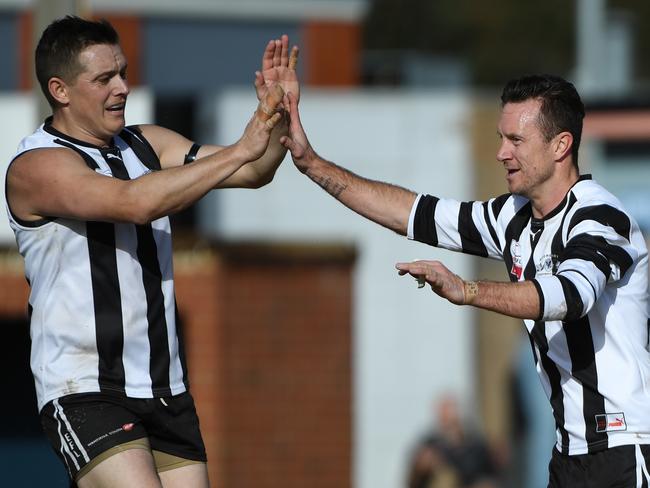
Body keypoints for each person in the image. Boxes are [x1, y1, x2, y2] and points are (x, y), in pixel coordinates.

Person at [279, 74, 650, 487]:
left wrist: (469, 291)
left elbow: (569, 296)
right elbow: (412, 214)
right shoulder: (514, 216)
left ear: (561, 145)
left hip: (626, 448)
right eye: (500, 137)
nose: (500, 153)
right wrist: (311, 164)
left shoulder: (599, 215)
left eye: (515, 140)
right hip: (568, 456)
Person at [4, 16, 298, 488]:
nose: (122, 87)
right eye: (104, 79)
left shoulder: (148, 142)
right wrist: (241, 149)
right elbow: (134, 202)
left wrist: (277, 113)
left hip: (166, 388)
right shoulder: (37, 165)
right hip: (86, 389)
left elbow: (253, 171)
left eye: (122, 72)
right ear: (59, 90)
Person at [407, 394, 500, 488]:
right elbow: (413, 480)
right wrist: (421, 467)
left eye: (450, 409)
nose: (447, 415)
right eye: (443, 410)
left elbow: (491, 475)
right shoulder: (429, 444)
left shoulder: (475, 444)